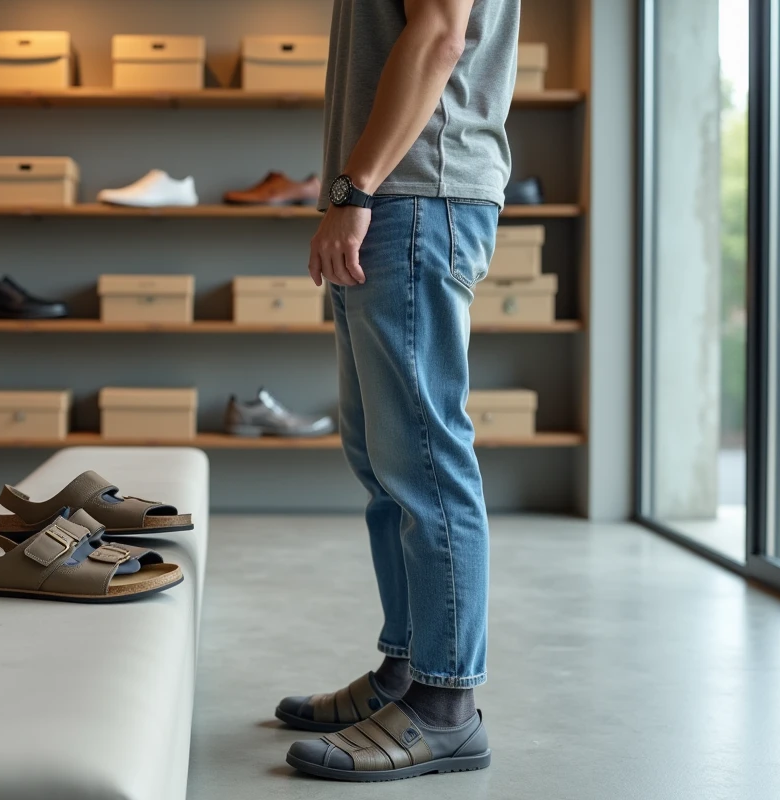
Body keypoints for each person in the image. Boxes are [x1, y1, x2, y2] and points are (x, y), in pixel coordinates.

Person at [276, 0, 518, 782]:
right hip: (397, 194)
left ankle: (446, 707)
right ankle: (407, 672)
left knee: (423, 462)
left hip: (414, 192)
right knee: (384, 462)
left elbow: (442, 33)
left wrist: (354, 191)